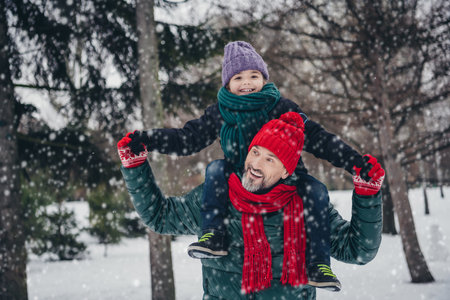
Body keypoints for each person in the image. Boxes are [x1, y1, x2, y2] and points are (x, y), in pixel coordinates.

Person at [125, 41, 381, 291]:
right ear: (227, 83)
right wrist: (146, 142)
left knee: (316, 190)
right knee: (215, 168)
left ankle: (317, 264)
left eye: (253, 75)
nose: (246, 83)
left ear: (264, 79)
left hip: (292, 183)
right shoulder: (220, 118)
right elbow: (186, 140)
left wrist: (355, 164)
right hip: (233, 179)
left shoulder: (281, 108)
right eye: (238, 78)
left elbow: (318, 139)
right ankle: (214, 234)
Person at [117, 112, 385, 299]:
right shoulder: (217, 196)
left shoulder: (306, 205)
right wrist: (135, 166)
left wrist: (367, 195)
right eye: (255, 152)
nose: (256, 164)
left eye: (270, 159)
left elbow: (358, 251)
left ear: (285, 171)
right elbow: (160, 217)